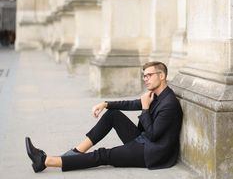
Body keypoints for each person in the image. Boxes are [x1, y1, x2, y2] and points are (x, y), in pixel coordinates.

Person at [25, 61, 183, 173]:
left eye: (149, 75)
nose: (145, 79)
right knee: (113, 114)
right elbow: (130, 104)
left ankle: (46, 161)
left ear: (161, 76)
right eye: (144, 76)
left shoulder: (169, 104)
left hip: (151, 153)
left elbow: (153, 135)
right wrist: (106, 104)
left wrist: (145, 108)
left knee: (103, 155)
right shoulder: (155, 95)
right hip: (143, 141)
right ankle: (76, 152)